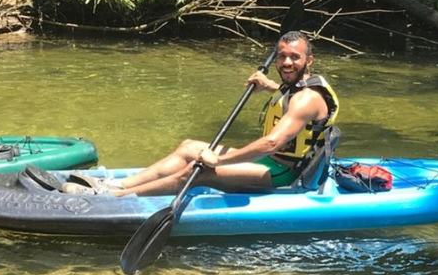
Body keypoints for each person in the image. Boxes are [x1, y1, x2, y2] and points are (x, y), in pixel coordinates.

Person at [62, 31, 340, 195]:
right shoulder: (296, 86)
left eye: (295, 57)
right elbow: (287, 96)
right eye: (282, 57)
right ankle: (116, 184)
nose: (287, 62)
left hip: (285, 174)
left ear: (309, 60)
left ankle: (118, 197)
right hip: (271, 162)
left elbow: (271, 143)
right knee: (188, 147)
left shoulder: (307, 99)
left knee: (201, 171)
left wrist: (220, 159)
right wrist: (269, 86)